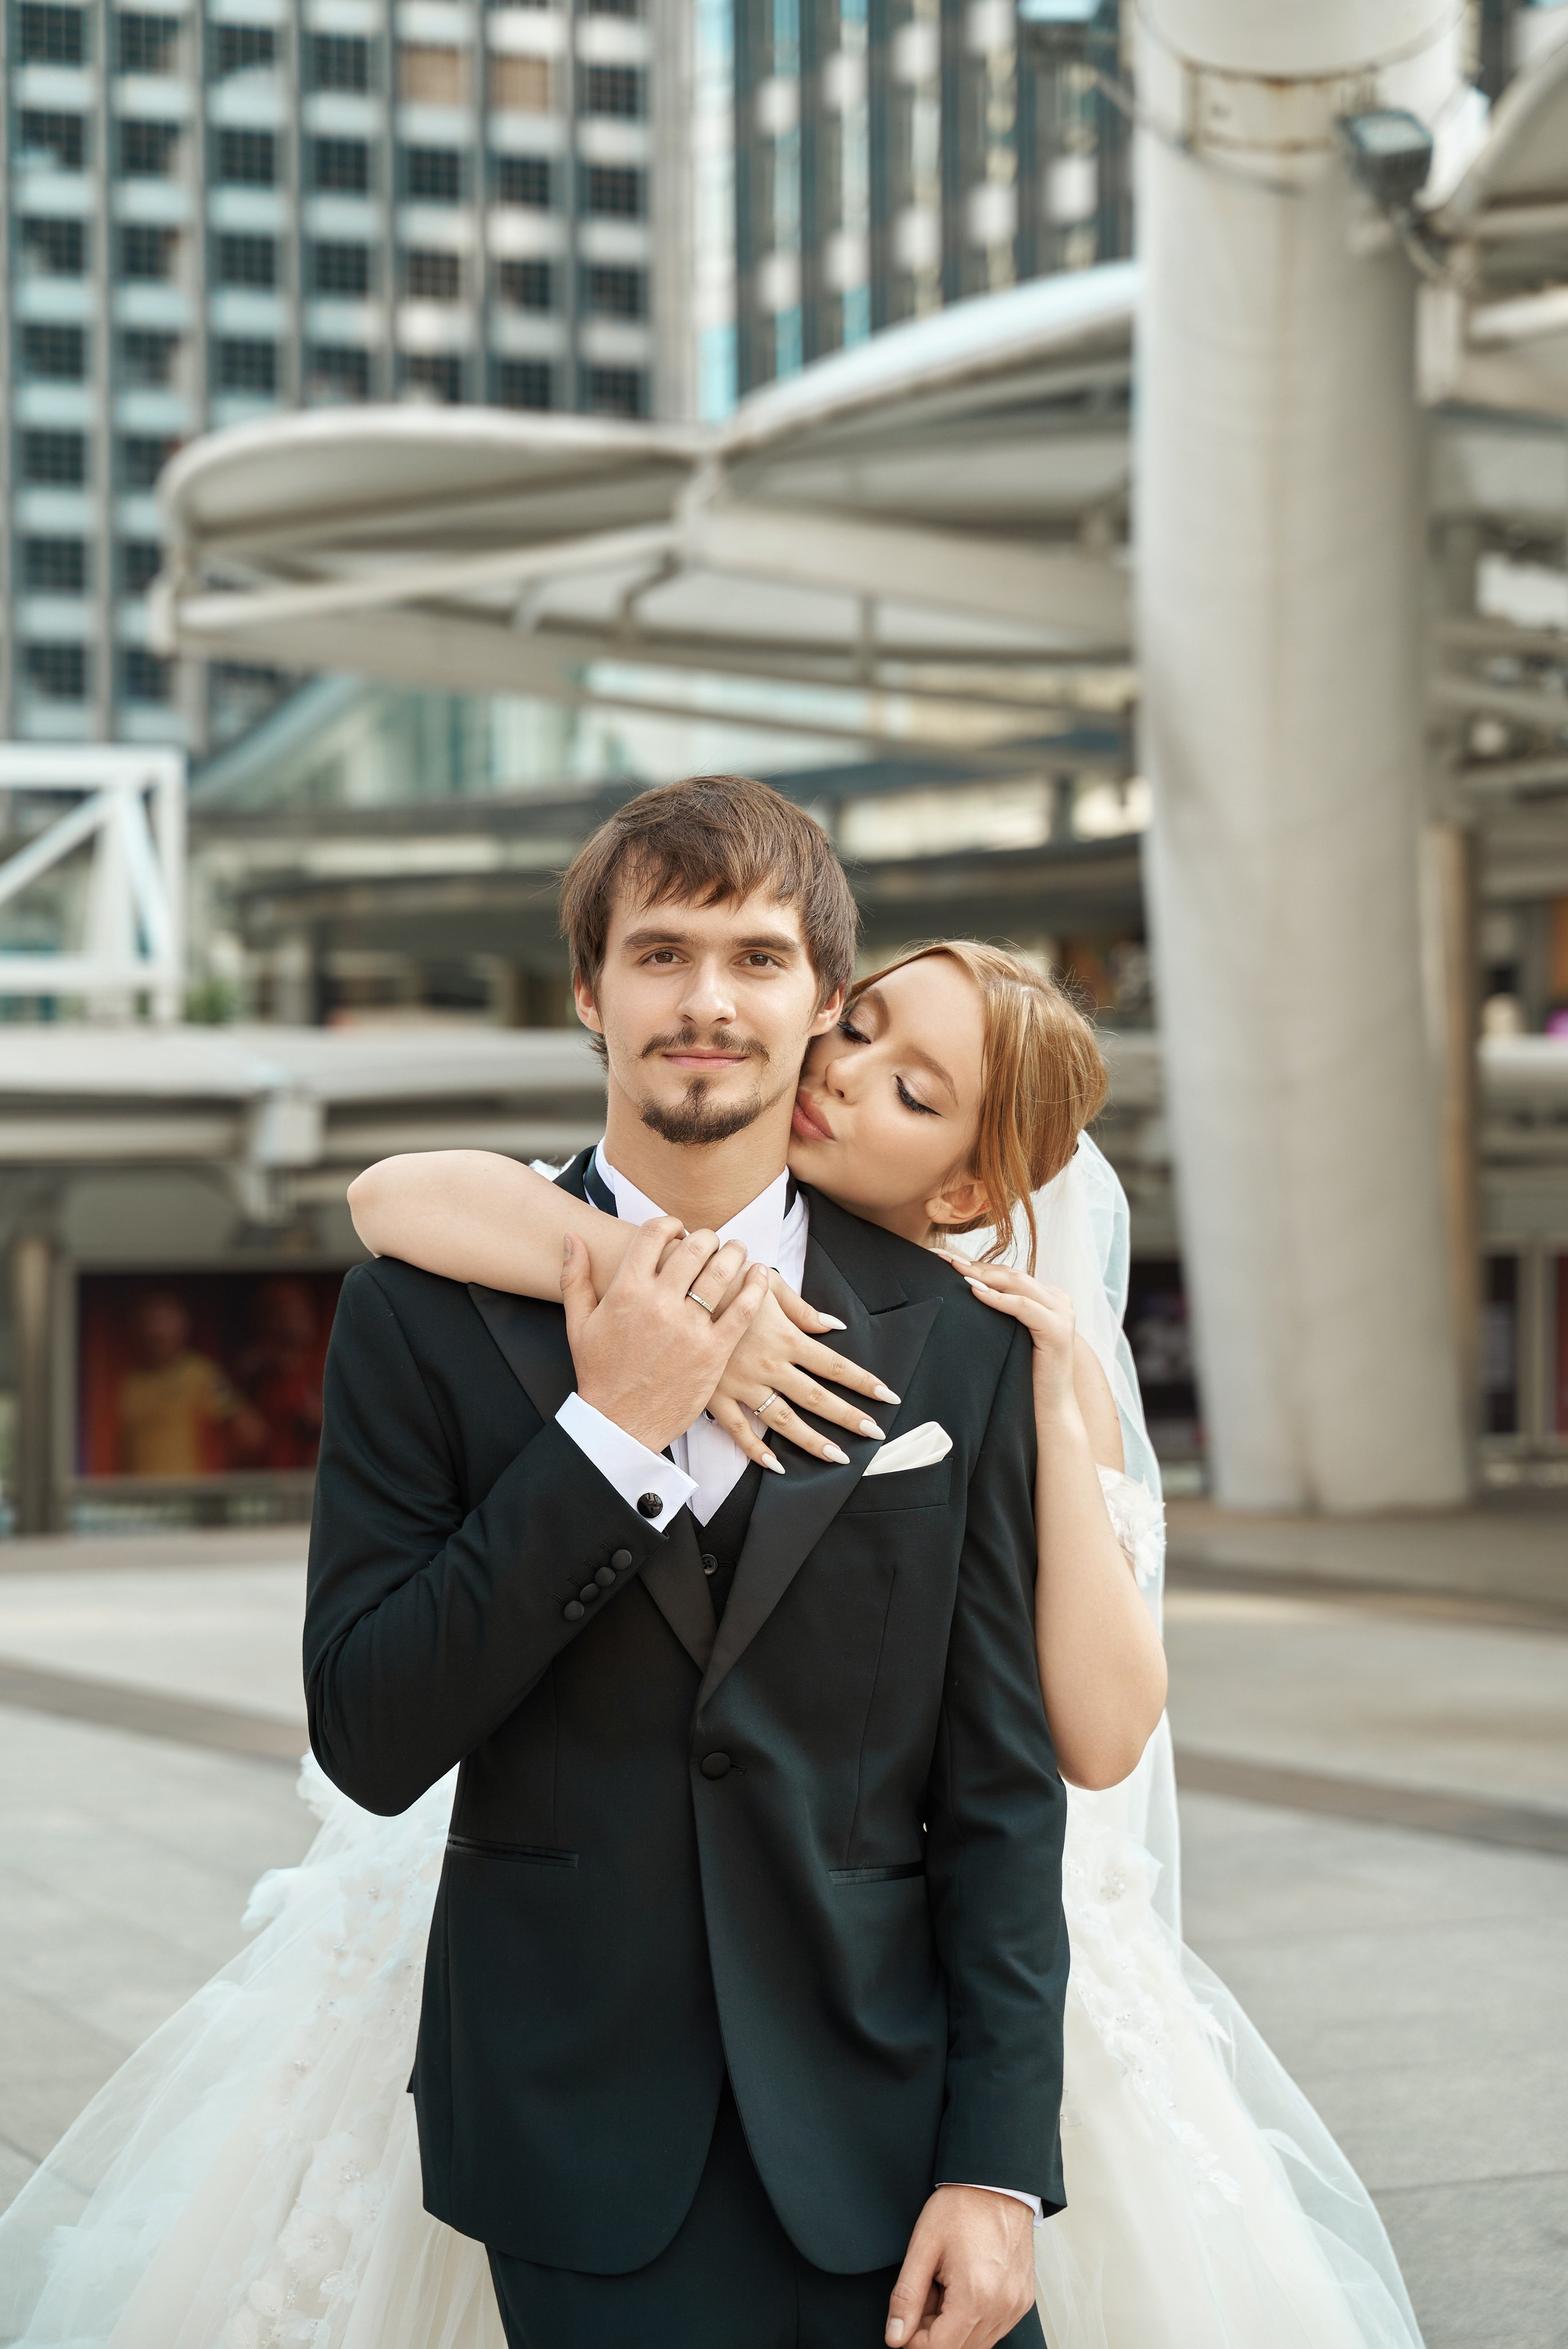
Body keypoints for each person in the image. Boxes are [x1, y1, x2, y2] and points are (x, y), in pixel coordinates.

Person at [0, 780, 1423, 2349]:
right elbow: (372, 1732)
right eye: (660, 952)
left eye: (756, 958)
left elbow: (1010, 1792)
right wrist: (607, 1437)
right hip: (568, 2134)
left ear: (818, 1005)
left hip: (890, 2129)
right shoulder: (419, 1310)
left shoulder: (958, 1345)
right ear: (587, 994)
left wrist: (1001, 2170)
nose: (704, 1000)